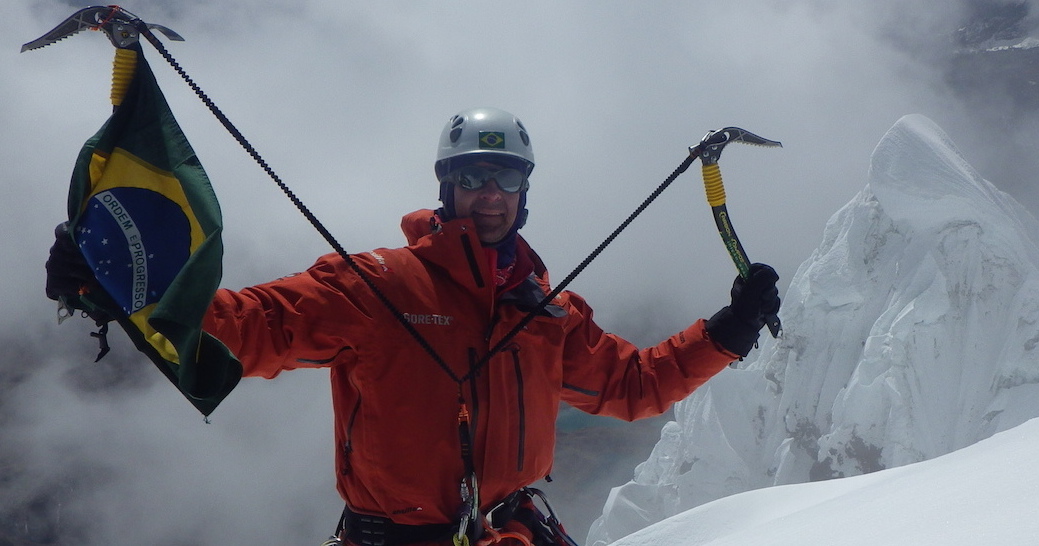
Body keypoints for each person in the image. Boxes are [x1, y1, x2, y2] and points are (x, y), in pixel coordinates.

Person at [48, 107, 780, 546]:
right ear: (446, 185)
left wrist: (727, 330)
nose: (489, 196)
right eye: (472, 178)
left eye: (506, 179)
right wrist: (124, 289)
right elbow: (255, 325)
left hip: (512, 530)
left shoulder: (544, 309)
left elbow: (632, 385)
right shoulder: (375, 286)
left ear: (525, 191)